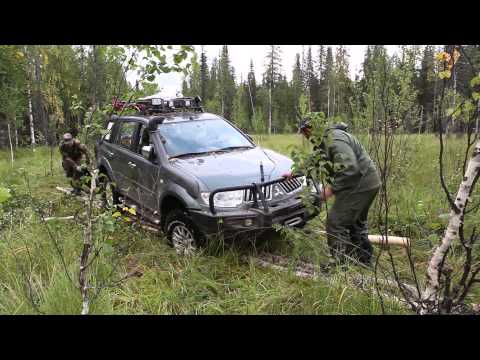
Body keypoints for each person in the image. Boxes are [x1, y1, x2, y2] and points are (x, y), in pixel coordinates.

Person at [298, 119, 381, 267]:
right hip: (366, 183)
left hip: (360, 184)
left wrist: (331, 189)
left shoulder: (334, 139)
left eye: (305, 132)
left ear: (311, 129)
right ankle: (363, 261)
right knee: (355, 223)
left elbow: (350, 168)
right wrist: (293, 173)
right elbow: (315, 160)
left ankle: (341, 266)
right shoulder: (324, 140)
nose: (305, 137)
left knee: (336, 223)